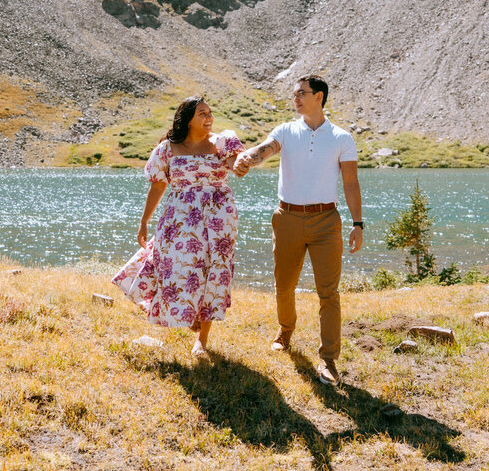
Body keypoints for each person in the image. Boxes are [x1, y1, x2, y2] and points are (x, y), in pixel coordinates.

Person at [233, 75, 363, 385]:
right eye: (295, 94)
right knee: (284, 285)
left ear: (319, 96)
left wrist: (358, 224)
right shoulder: (286, 131)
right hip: (287, 217)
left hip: (326, 222)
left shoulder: (342, 138)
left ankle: (329, 359)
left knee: (328, 293)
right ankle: (286, 329)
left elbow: (350, 183)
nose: (296, 98)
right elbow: (263, 149)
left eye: (301, 93)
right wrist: (245, 159)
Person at [112, 96, 244, 359]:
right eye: (202, 114)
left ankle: (202, 338)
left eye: (210, 112)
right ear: (187, 119)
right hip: (179, 218)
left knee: (212, 270)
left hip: (219, 218)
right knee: (175, 265)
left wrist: (236, 159)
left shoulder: (221, 142)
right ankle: (185, 312)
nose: (209, 118)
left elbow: (236, 168)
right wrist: (144, 221)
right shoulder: (167, 149)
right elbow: (158, 185)